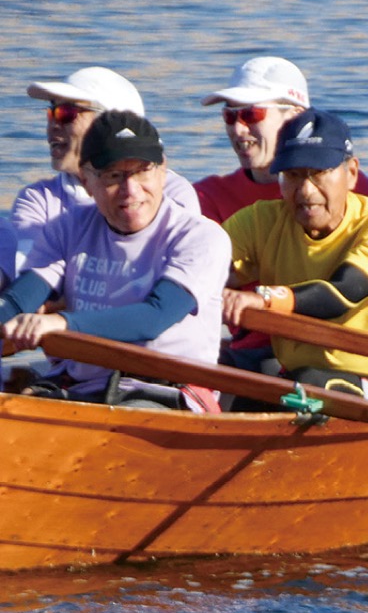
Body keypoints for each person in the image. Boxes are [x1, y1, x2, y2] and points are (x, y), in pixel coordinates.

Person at [0, 111, 229, 410]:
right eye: (114, 175)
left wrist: (59, 323)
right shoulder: (67, 228)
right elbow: (18, 301)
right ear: (87, 179)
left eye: (142, 171)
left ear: (163, 171)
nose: (130, 191)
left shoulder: (200, 237)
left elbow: (154, 317)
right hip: (81, 385)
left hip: (164, 390)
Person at [222, 109, 368, 407]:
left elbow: (341, 294)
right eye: (293, 175)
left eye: (318, 173)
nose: (306, 190)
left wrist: (264, 300)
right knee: (237, 383)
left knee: (310, 384)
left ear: (351, 174)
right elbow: (200, 267)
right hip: (302, 376)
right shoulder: (260, 221)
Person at [13, 67, 200, 271]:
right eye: (51, 113)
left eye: (67, 114)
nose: (53, 126)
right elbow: (29, 278)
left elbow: (172, 275)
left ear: (113, 128)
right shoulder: (38, 199)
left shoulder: (172, 192)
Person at [196, 56, 368, 223]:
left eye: (251, 114)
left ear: (295, 116)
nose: (238, 128)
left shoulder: (347, 183)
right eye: (229, 116)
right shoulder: (207, 196)